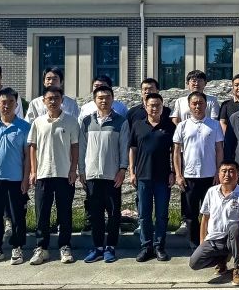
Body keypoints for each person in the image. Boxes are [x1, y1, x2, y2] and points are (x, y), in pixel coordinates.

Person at [27, 86, 80, 265]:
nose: (53, 101)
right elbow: (32, 146)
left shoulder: (71, 121)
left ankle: (65, 246)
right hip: (43, 174)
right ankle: (41, 248)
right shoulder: (38, 122)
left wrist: (73, 170)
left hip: (64, 174)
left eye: (57, 97)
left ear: (62, 100)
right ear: (44, 101)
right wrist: (33, 171)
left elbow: (75, 147)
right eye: (49, 98)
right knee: (42, 213)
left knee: (65, 212)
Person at [79, 85, 130, 264]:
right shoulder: (86, 121)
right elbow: (82, 148)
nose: (104, 100)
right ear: (94, 100)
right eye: (100, 97)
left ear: (112, 99)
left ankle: (111, 247)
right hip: (92, 175)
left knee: (114, 213)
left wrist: (123, 169)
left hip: (112, 175)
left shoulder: (121, 122)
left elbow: (124, 148)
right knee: (95, 214)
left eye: (107, 97)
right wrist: (81, 171)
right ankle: (98, 248)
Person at [0, 88, 31, 266]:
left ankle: (17, 246)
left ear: (16, 105)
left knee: (17, 214)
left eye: (11, 102)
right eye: (3, 102)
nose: (7, 105)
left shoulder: (25, 127)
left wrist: (25, 178)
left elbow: (27, 156)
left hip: (15, 178)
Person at [173, 90, 225, 245]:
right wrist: (178, 174)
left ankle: (211, 243)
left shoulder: (214, 125)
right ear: (189, 106)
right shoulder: (182, 126)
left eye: (201, 103)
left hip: (210, 176)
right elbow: (176, 152)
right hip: (189, 177)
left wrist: (218, 172)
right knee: (191, 214)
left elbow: (219, 150)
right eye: (194, 103)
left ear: (206, 105)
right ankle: (194, 245)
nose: (197, 106)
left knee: (212, 212)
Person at [188, 161, 239, 287]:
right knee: (194, 263)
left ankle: (238, 269)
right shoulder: (211, 192)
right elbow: (205, 219)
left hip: (232, 240)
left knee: (235, 228)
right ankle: (222, 259)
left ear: (237, 174)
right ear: (219, 174)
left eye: (231, 171)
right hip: (213, 239)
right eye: (224, 171)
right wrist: (202, 242)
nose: (227, 174)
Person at [129, 92, 174, 262]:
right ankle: (146, 246)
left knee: (162, 214)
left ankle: (159, 246)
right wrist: (132, 172)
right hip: (143, 176)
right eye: (151, 105)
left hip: (163, 177)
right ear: (145, 106)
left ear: (162, 107)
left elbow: (175, 151)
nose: (154, 108)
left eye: (158, 105)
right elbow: (132, 149)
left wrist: (174, 172)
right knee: (144, 214)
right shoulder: (137, 125)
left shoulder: (169, 126)